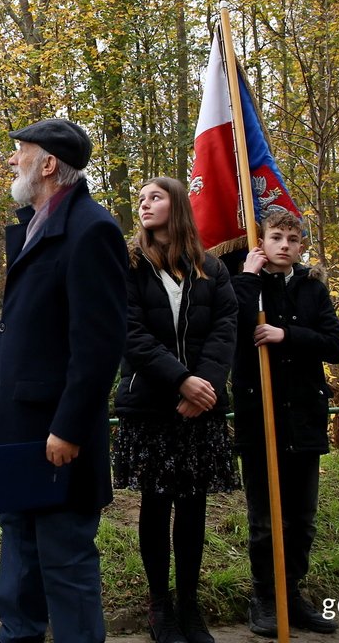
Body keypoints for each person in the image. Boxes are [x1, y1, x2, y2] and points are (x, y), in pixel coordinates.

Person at [0, 119, 128, 643]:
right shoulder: (35, 223)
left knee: (65, 560)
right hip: (19, 425)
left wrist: (70, 428)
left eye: (19, 152)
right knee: (20, 554)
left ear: (48, 164)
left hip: (58, 433)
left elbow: (98, 345)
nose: (11, 161)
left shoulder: (92, 229)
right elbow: (22, 319)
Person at [113, 176, 238, 643]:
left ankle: (190, 605)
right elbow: (129, 331)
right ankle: (159, 606)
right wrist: (179, 379)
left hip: (200, 407)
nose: (144, 204)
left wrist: (202, 385)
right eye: (141, 198)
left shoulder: (211, 267)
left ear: (178, 205)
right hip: (149, 404)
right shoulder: (128, 265)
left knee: (193, 507)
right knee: (155, 503)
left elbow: (225, 329)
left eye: (155, 196)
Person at [231, 209, 339, 637]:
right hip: (258, 415)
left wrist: (286, 334)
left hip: (304, 417)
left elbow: (336, 345)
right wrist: (247, 275)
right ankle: (264, 596)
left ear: (301, 245)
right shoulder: (245, 285)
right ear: (261, 242)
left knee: (302, 517)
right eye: (276, 237)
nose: (284, 245)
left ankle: (293, 594)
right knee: (264, 518)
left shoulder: (312, 289)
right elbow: (234, 328)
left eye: (292, 239)